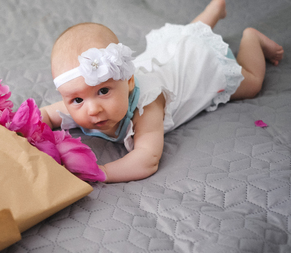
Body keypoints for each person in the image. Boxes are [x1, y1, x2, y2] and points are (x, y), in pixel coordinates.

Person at [40, 0, 284, 183]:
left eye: (103, 91)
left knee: (250, 84)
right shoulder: (81, 99)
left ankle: (252, 39)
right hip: (170, 55)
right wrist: (16, 126)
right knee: (183, 38)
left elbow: (147, 159)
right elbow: (47, 115)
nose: (92, 109)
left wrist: (102, 172)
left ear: (129, 83)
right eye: (77, 100)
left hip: (199, 65)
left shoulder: (148, 106)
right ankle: (214, 11)